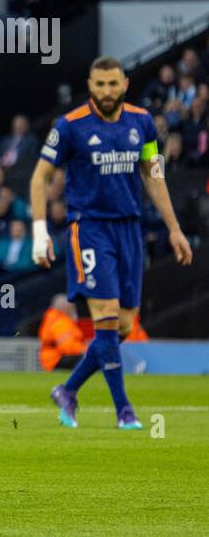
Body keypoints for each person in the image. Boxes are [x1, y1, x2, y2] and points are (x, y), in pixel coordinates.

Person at [32, 56, 193, 430]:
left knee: (121, 327)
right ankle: (125, 410)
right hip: (89, 229)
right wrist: (40, 232)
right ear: (90, 85)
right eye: (100, 84)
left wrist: (174, 228)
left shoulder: (142, 123)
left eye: (113, 84)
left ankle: (68, 390)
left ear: (125, 85)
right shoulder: (69, 127)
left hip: (129, 230)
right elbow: (40, 177)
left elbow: (153, 176)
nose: (107, 91)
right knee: (104, 321)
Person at [38, 294, 86, 372]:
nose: (74, 309)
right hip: (56, 360)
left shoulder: (53, 318)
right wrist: (85, 350)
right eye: (72, 307)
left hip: (51, 359)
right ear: (66, 308)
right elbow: (68, 347)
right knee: (89, 359)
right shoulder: (61, 322)